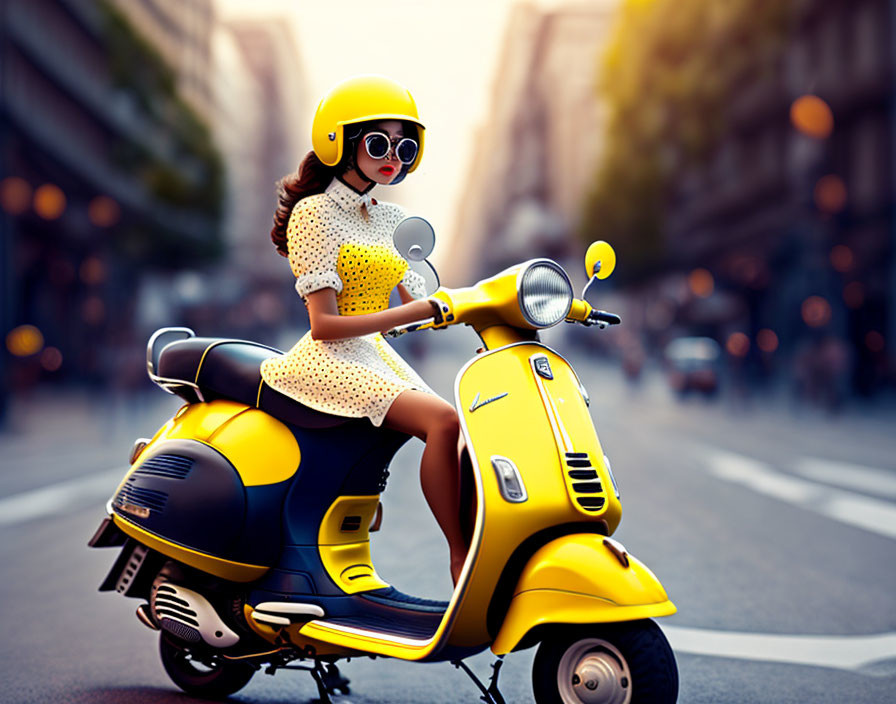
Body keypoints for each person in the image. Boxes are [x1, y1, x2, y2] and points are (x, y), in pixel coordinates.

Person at [260, 75, 466, 584]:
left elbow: (418, 295)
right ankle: (461, 555)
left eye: (404, 145)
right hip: (328, 359)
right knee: (442, 422)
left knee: (466, 430)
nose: (392, 155)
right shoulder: (314, 213)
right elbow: (326, 325)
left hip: (374, 355)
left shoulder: (393, 218)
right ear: (341, 142)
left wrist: (462, 304)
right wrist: (412, 315)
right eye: (378, 143)